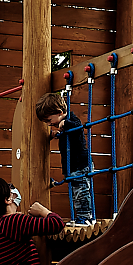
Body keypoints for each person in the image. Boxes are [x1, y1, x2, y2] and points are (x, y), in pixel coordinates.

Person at [37, 93, 94, 224]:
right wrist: (57, 134)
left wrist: (65, 123)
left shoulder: (72, 120)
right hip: (73, 166)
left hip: (81, 164)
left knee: (82, 191)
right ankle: (81, 217)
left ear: (59, 112)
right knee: (76, 193)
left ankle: (86, 217)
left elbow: (77, 128)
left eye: (48, 120)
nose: (49, 123)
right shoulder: (62, 126)